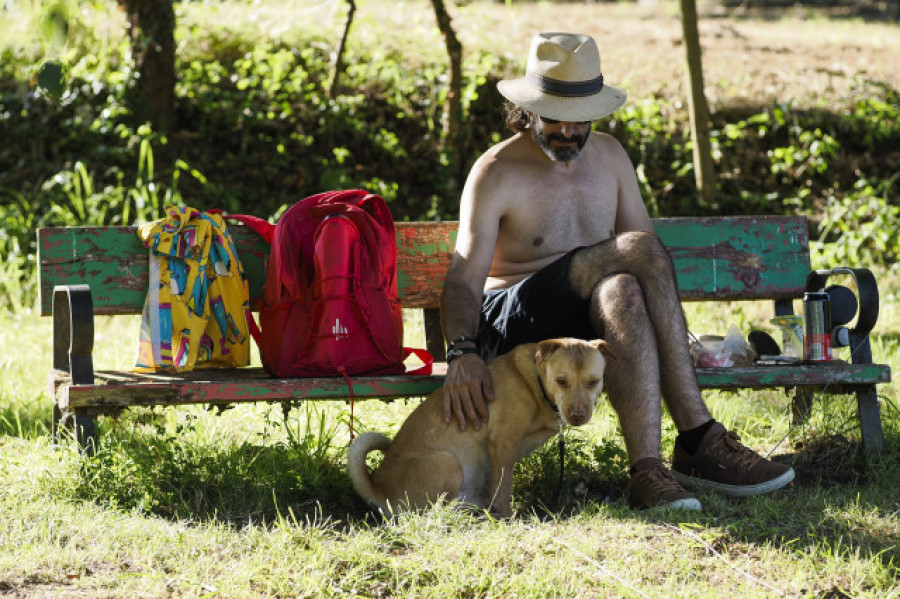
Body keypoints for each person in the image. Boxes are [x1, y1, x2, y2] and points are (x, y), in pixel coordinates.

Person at [439, 32, 794, 511]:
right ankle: (699, 437)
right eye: (554, 117)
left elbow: (644, 269)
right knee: (636, 251)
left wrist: (672, 336)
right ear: (527, 111)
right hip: (518, 329)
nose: (568, 131)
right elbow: (463, 277)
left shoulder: (610, 157)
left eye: (580, 120)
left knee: (624, 288)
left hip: (588, 323)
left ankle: (647, 472)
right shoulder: (496, 172)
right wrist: (461, 352)